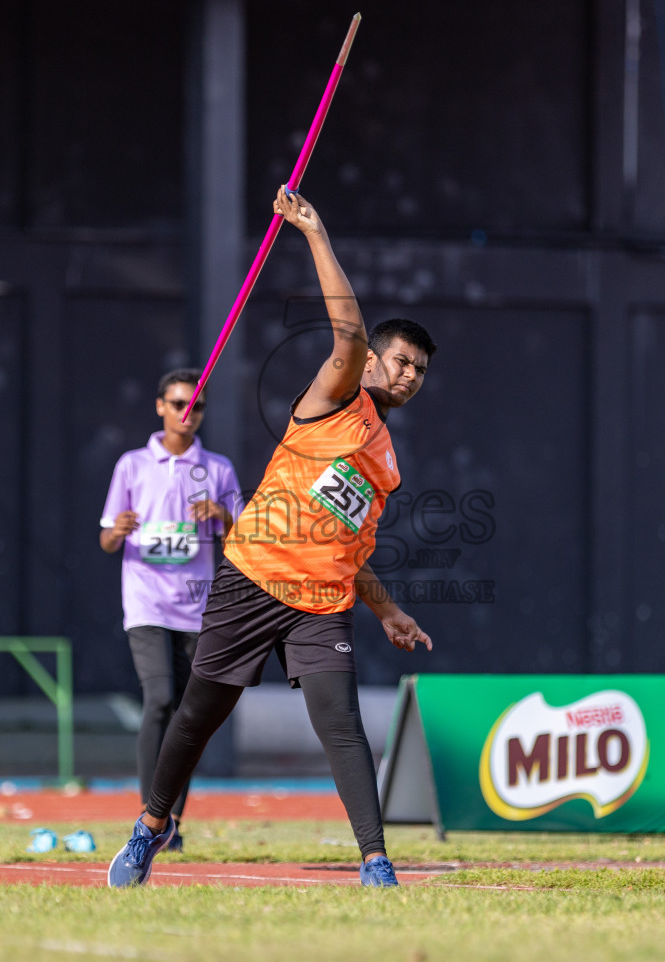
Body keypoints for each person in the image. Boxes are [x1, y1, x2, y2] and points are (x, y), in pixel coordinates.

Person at [108, 187, 436, 889]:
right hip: (252, 577)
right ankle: (151, 827)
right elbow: (347, 332)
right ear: (373, 364)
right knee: (196, 715)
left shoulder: (386, 460)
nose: (408, 375)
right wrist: (315, 232)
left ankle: (375, 862)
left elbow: (352, 551)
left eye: (419, 370)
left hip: (321, 602)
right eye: (401, 361)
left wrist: (386, 610)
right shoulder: (336, 398)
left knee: (340, 726)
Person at [100, 368, 241, 851]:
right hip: (145, 602)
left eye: (196, 406)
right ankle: (150, 820)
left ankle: (171, 821)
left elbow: (242, 538)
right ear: (160, 406)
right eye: (179, 403)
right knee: (159, 699)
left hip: (198, 607)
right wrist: (118, 530)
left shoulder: (217, 469)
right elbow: (106, 538)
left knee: (189, 713)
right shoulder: (132, 465)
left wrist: (222, 516)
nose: (188, 413)